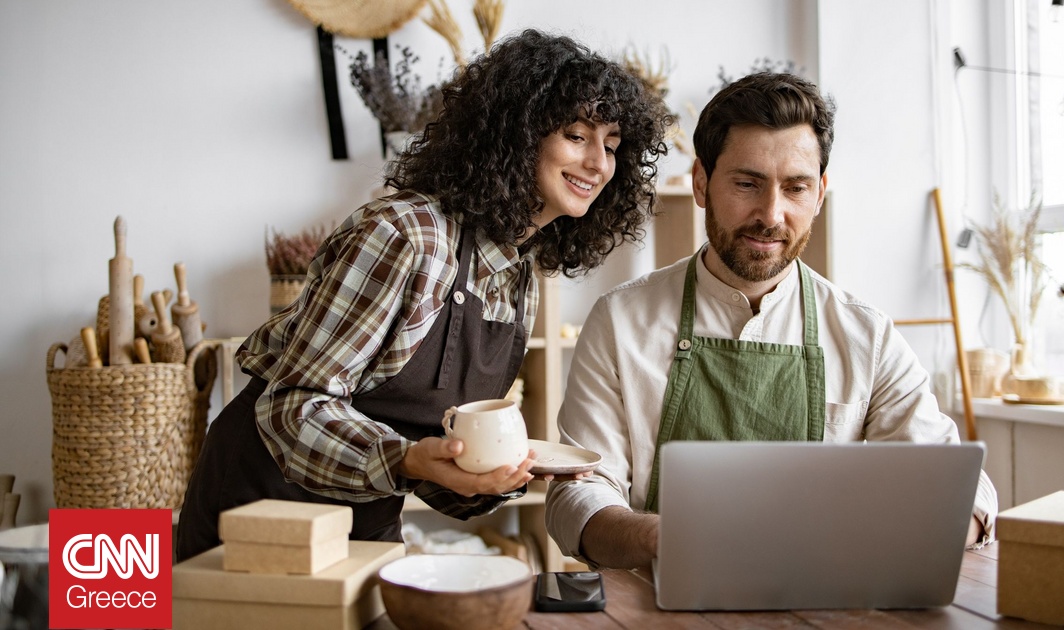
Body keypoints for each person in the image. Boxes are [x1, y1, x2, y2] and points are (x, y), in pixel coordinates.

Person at [176, 29, 673, 562]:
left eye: (613, 146)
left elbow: (427, 461)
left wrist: (491, 471)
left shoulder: (517, 273)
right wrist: (408, 460)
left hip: (363, 522)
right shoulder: (406, 236)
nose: (599, 163)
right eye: (577, 136)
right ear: (516, 133)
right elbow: (292, 407)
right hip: (262, 509)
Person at [545, 72, 998, 570]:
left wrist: (922, 525)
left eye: (796, 188)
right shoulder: (620, 321)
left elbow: (967, 488)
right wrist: (661, 538)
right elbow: (576, 499)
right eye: (747, 183)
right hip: (656, 608)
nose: (771, 214)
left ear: (820, 193)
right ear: (701, 182)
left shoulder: (865, 336)